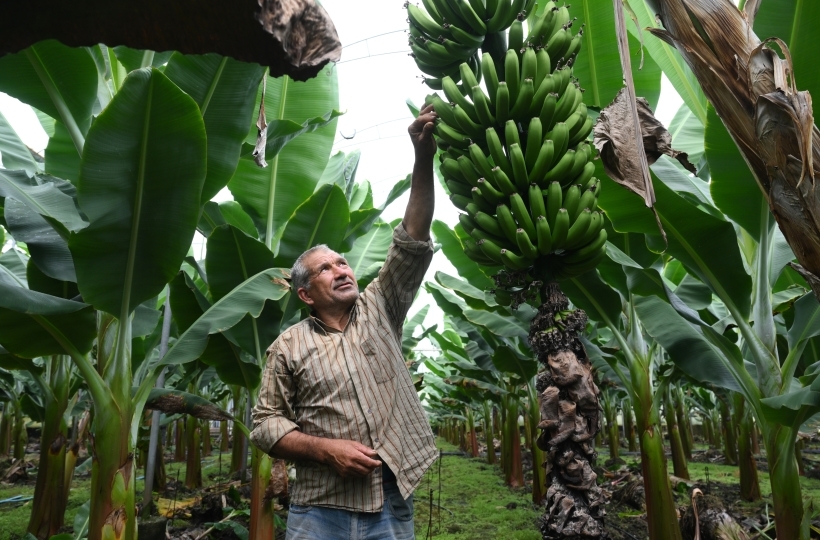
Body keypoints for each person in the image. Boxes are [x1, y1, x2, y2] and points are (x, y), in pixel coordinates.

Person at [250, 104, 439, 540]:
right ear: (305, 294)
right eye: (326, 269)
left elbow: (412, 236)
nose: (342, 270)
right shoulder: (288, 346)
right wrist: (325, 449)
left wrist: (422, 158)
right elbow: (265, 423)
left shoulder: (380, 307)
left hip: (390, 496)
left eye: (343, 262)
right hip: (320, 508)